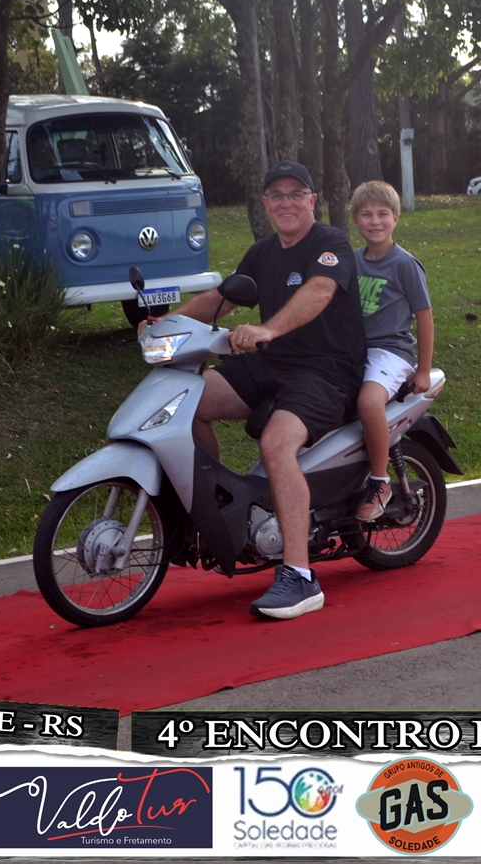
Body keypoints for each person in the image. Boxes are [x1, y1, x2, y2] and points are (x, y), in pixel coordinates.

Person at [158, 160, 364, 620]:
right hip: (273, 362)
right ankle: (216, 505)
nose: (286, 203)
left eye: (296, 194)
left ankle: (300, 576)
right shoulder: (263, 252)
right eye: (277, 195)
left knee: (276, 443)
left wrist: (268, 328)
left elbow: (319, 291)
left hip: (327, 371)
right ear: (266, 204)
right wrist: (164, 325)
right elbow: (219, 298)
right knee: (186, 401)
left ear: (312, 200)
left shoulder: (329, 243)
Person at [349, 181, 434, 521]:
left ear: (396, 218)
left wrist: (423, 369)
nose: (375, 222)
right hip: (355, 351)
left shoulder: (405, 265)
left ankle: (380, 481)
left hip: (390, 352)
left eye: (382, 214)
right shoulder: (352, 261)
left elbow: (424, 318)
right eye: (366, 214)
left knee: (368, 403)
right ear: (355, 220)